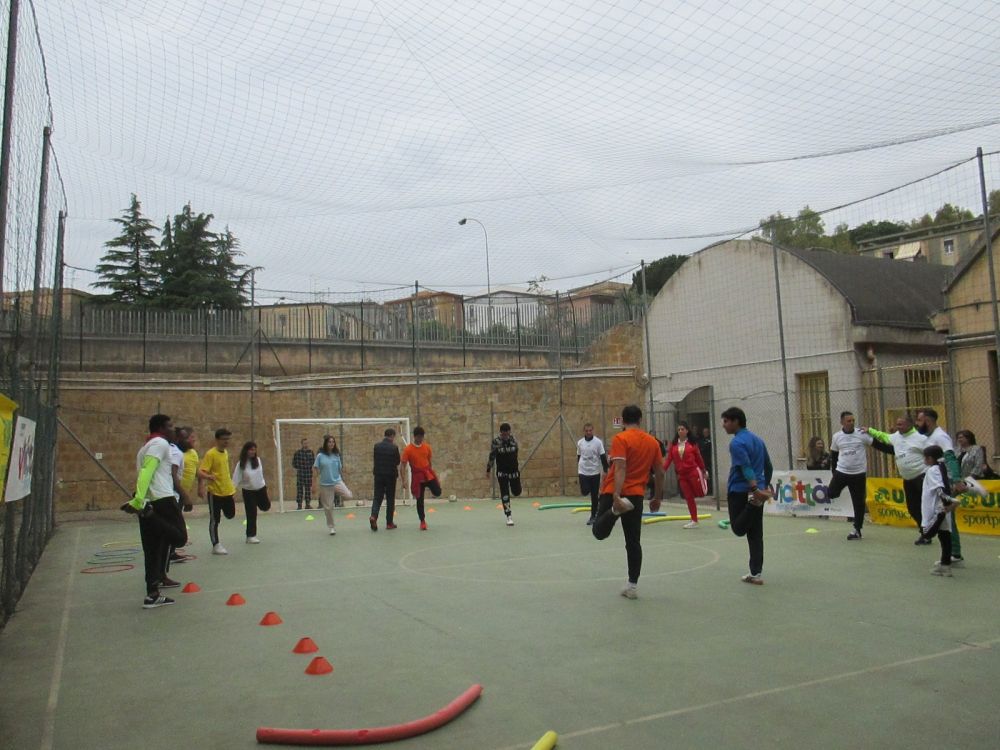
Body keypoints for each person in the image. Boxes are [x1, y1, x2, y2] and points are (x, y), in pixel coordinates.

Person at [591, 404, 664, 600]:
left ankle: (615, 511)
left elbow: (620, 468)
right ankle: (632, 586)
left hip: (614, 491)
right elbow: (660, 472)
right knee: (633, 542)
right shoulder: (653, 442)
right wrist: (657, 497)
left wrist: (616, 495)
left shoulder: (621, 438)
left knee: (598, 531)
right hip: (636, 496)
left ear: (623, 421)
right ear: (640, 419)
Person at [121, 414, 188, 609]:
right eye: (170, 426)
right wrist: (139, 500)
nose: (173, 430)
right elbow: (147, 471)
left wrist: (140, 499)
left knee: (153, 549)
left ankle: (152, 595)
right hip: (161, 499)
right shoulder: (160, 443)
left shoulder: (145, 447)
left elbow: (145, 471)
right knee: (179, 538)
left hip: (149, 500)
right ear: (160, 428)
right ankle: (148, 514)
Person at [721, 407, 773, 585]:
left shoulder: (736, 443)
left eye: (726, 421)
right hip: (757, 490)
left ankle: (753, 504)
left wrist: (755, 489)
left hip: (740, 490)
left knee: (738, 528)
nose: (723, 425)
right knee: (756, 534)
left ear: (736, 421)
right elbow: (768, 465)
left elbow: (746, 466)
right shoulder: (758, 440)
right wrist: (763, 486)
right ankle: (756, 573)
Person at [864, 415, 929, 545]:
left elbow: (932, 454)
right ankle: (925, 531)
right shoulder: (896, 437)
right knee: (912, 508)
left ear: (910, 424)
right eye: (897, 424)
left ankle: (931, 531)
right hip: (907, 479)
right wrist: (870, 430)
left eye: (901, 424)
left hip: (922, 476)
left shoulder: (921, 438)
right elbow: (883, 436)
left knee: (927, 506)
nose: (898, 427)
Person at [916, 408, 967, 565]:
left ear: (928, 421)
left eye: (919, 420)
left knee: (947, 516)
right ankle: (951, 552)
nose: (917, 423)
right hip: (934, 481)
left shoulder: (941, 437)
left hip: (943, 481)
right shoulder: (927, 437)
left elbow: (950, 457)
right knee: (944, 517)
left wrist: (956, 480)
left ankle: (954, 553)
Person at [827, 411, 874, 540]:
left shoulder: (861, 434)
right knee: (831, 493)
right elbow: (834, 455)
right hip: (842, 472)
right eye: (849, 421)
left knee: (859, 502)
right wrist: (834, 473)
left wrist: (894, 450)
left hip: (858, 474)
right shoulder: (837, 436)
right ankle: (839, 489)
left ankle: (857, 530)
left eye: (853, 420)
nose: (852, 423)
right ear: (842, 422)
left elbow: (876, 444)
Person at [918, 445, 962, 577]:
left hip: (937, 509)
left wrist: (948, 503)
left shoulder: (933, 470)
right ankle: (945, 565)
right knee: (944, 535)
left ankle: (945, 565)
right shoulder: (941, 468)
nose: (924, 460)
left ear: (930, 458)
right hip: (941, 507)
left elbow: (939, 489)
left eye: (925, 458)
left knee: (926, 533)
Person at [199, 428, 237, 556]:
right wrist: (208, 478)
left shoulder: (225, 452)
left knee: (230, 514)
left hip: (228, 491)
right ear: (217, 440)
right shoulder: (211, 454)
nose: (226, 442)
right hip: (215, 493)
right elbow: (202, 471)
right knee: (215, 520)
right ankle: (215, 544)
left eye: (228, 439)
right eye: (224, 439)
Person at [663, 421, 706, 528]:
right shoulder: (674, 445)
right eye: (679, 429)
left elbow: (699, 458)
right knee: (688, 497)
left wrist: (703, 470)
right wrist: (662, 471)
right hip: (682, 475)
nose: (680, 431)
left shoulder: (692, 444)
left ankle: (703, 483)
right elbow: (669, 459)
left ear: (687, 431)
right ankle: (694, 520)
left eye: (682, 429)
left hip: (693, 472)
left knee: (700, 493)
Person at [401, 426, 441, 530]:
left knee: (438, 492)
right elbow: (403, 465)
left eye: (422, 437)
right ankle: (422, 521)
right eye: (419, 437)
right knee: (419, 500)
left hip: (427, 473)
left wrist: (432, 474)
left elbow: (429, 461)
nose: (420, 439)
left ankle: (431, 489)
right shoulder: (408, 449)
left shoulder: (427, 447)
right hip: (417, 477)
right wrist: (403, 480)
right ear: (414, 437)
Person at [312, 435, 353, 535]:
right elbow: (315, 470)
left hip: (337, 482)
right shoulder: (320, 456)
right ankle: (331, 527)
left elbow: (340, 469)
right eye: (329, 442)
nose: (331, 444)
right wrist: (313, 485)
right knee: (328, 507)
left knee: (349, 496)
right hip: (325, 485)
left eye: (333, 442)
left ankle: (337, 495)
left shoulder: (336, 455)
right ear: (326, 443)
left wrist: (344, 481)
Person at [232, 441, 271, 544]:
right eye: (251, 450)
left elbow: (259, 475)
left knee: (266, 507)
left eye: (254, 450)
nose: (253, 452)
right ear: (246, 451)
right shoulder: (241, 464)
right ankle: (250, 536)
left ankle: (257, 502)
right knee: (251, 513)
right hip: (248, 491)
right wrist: (231, 491)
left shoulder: (258, 460)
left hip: (261, 489)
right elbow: (236, 478)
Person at [487, 422, 520, 527]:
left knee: (517, 492)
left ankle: (515, 489)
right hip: (502, 473)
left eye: (507, 434)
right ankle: (508, 516)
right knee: (505, 493)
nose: (505, 436)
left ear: (509, 432)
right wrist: (488, 469)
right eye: (503, 434)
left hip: (514, 472)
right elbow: (492, 456)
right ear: (501, 433)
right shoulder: (496, 442)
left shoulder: (513, 441)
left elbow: (516, 451)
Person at [577, 423, 608, 525]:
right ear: (584, 431)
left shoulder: (598, 442)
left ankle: (593, 516)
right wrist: (579, 466)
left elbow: (603, 456)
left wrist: (606, 470)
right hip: (583, 471)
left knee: (594, 496)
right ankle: (590, 490)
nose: (588, 432)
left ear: (592, 430)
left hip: (594, 471)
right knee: (585, 491)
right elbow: (579, 456)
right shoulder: (580, 443)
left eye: (590, 430)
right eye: (587, 431)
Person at [371, 428, 401, 531]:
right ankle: (389, 523)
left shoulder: (377, 446)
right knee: (390, 499)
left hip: (378, 475)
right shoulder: (394, 447)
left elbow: (375, 459)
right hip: (390, 476)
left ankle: (373, 516)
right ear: (392, 436)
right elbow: (397, 461)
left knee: (377, 497)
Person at [292, 438, 315, 510]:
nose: (306, 444)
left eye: (307, 443)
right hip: (300, 474)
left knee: (308, 490)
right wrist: (300, 468)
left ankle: (308, 504)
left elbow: (313, 462)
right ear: (301, 444)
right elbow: (294, 463)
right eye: (304, 443)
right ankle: (299, 505)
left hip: (308, 474)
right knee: (300, 490)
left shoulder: (311, 452)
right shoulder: (297, 453)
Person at [699, 427, 713, 494]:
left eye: (707, 432)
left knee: (710, 475)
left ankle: (710, 490)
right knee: (704, 476)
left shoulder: (711, 440)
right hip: (703, 460)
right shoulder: (701, 441)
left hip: (709, 460)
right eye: (704, 432)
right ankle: (705, 490)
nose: (705, 433)